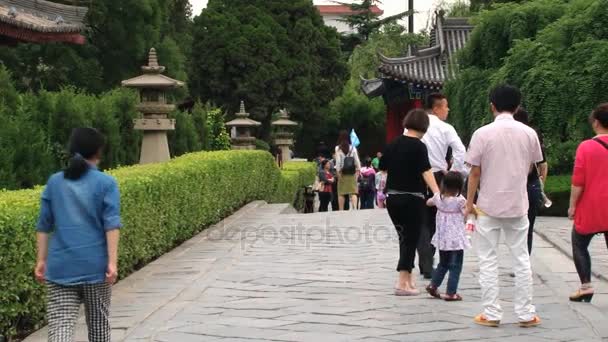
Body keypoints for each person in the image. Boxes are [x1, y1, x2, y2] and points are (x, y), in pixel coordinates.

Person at [465, 85, 542, 328]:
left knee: (488, 260)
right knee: (521, 259)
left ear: (492, 106)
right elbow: (532, 166)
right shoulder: (529, 133)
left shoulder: (482, 134)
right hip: (518, 205)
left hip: (487, 205)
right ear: (517, 106)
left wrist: (469, 204)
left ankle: (491, 313)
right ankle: (526, 313)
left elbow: (474, 172)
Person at [35, 128, 121, 342]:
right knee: (99, 325)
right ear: (98, 152)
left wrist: (41, 260)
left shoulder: (55, 182)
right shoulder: (106, 183)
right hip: (96, 268)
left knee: (60, 326)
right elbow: (111, 225)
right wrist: (112, 262)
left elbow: (44, 225)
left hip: (60, 267)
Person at [380, 109, 440, 296]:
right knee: (410, 239)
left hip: (393, 199)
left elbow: (382, 168)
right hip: (412, 198)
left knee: (404, 238)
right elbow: (426, 171)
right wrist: (437, 193)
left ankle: (408, 278)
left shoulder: (393, 143)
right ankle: (401, 283)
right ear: (424, 126)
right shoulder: (419, 146)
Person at [418, 93, 468, 280]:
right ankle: (429, 260)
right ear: (437, 108)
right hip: (438, 176)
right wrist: (454, 172)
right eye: (446, 106)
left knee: (421, 220)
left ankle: (425, 262)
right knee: (435, 219)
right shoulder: (446, 128)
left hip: (416, 177)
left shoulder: (414, 126)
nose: (448, 110)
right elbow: (460, 150)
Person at [568, 103, 608, 303]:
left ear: (596, 122)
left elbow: (578, 181)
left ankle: (585, 287)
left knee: (579, 244)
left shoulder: (586, 147)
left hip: (591, 206)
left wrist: (572, 206)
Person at [425, 171, 470, 301]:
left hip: (443, 239)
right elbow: (466, 212)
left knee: (443, 263)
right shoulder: (460, 200)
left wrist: (435, 201)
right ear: (459, 186)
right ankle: (451, 293)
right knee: (456, 266)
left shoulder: (438, 198)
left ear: (443, 184)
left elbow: (428, 203)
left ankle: (433, 285)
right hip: (456, 240)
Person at [514, 109, 549, 255]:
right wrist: (541, 183)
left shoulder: (514, 138)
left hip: (516, 187)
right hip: (532, 185)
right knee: (527, 227)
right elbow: (543, 165)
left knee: (515, 228)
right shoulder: (532, 137)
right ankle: (524, 261)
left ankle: (519, 261)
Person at [335, 130, 361, 210]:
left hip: (342, 173)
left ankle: (341, 209)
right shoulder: (353, 148)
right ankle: (355, 208)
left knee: (341, 193)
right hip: (352, 172)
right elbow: (357, 160)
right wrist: (358, 170)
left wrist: (338, 172)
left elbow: (338, 161)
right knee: (353, 191)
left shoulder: (337, 148)